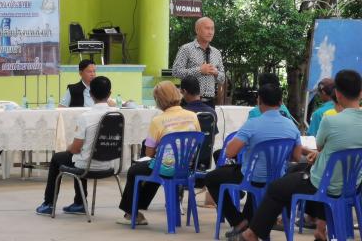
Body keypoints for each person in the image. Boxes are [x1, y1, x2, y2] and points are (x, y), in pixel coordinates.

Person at [237, 70, 362, 241]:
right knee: (299, 171)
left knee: (277, 188)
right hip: (352, 185)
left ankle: (252, 234)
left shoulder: (330, 120)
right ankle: (320, 227)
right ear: (360, 93)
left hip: (325, 182)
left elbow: (319, 145)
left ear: (338, 94)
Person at [204, 83, 302, 238]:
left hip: (252, 177)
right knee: (252, 172)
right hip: (277, 178)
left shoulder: (253, 124)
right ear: (281, 101)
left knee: (211, 178)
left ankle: (238, 220)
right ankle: (249, 222)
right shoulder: (291, 125)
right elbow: (296, 157)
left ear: (259, 101)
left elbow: (229, 152)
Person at [116, 81, 201, 226]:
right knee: (156, 168)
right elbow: (197, 140)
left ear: (159, 100)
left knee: (136, 170)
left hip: (166, 168)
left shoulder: (158, 121)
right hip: (187, 168)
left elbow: (149, 153)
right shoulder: (193, 116)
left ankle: (131, 212)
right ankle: (135, 211)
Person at [35, 76, 115, 215]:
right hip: (109, 165)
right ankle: (79, 203)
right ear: (109, 94)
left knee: (59, 158)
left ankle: (49, 204)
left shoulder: (86, 116)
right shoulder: (116, 114)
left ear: (90, 94)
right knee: (82, 155)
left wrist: (68, 148)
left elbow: (75, 148)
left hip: (88, 166)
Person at [172, 17, 225, 108]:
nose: (210, 32)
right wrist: (199, 70)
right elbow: (176, 72)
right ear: (197, 30)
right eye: (207, 28)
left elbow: (222, 78)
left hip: (209, 102)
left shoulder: (216, 52)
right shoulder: (186, 49)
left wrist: (216, 73)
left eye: (212, 28)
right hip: (189, 101)